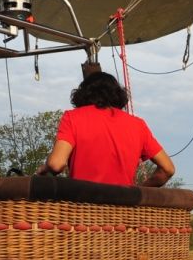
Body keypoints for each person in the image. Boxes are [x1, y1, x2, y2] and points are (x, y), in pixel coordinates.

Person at [36, 72, 175, 187]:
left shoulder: (73, 117)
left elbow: (56, 163)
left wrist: (45, 168)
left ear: (83, 94)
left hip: (82, 210)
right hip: (123, 211)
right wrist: (140, 190)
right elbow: (168, 169)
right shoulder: (138, 125)